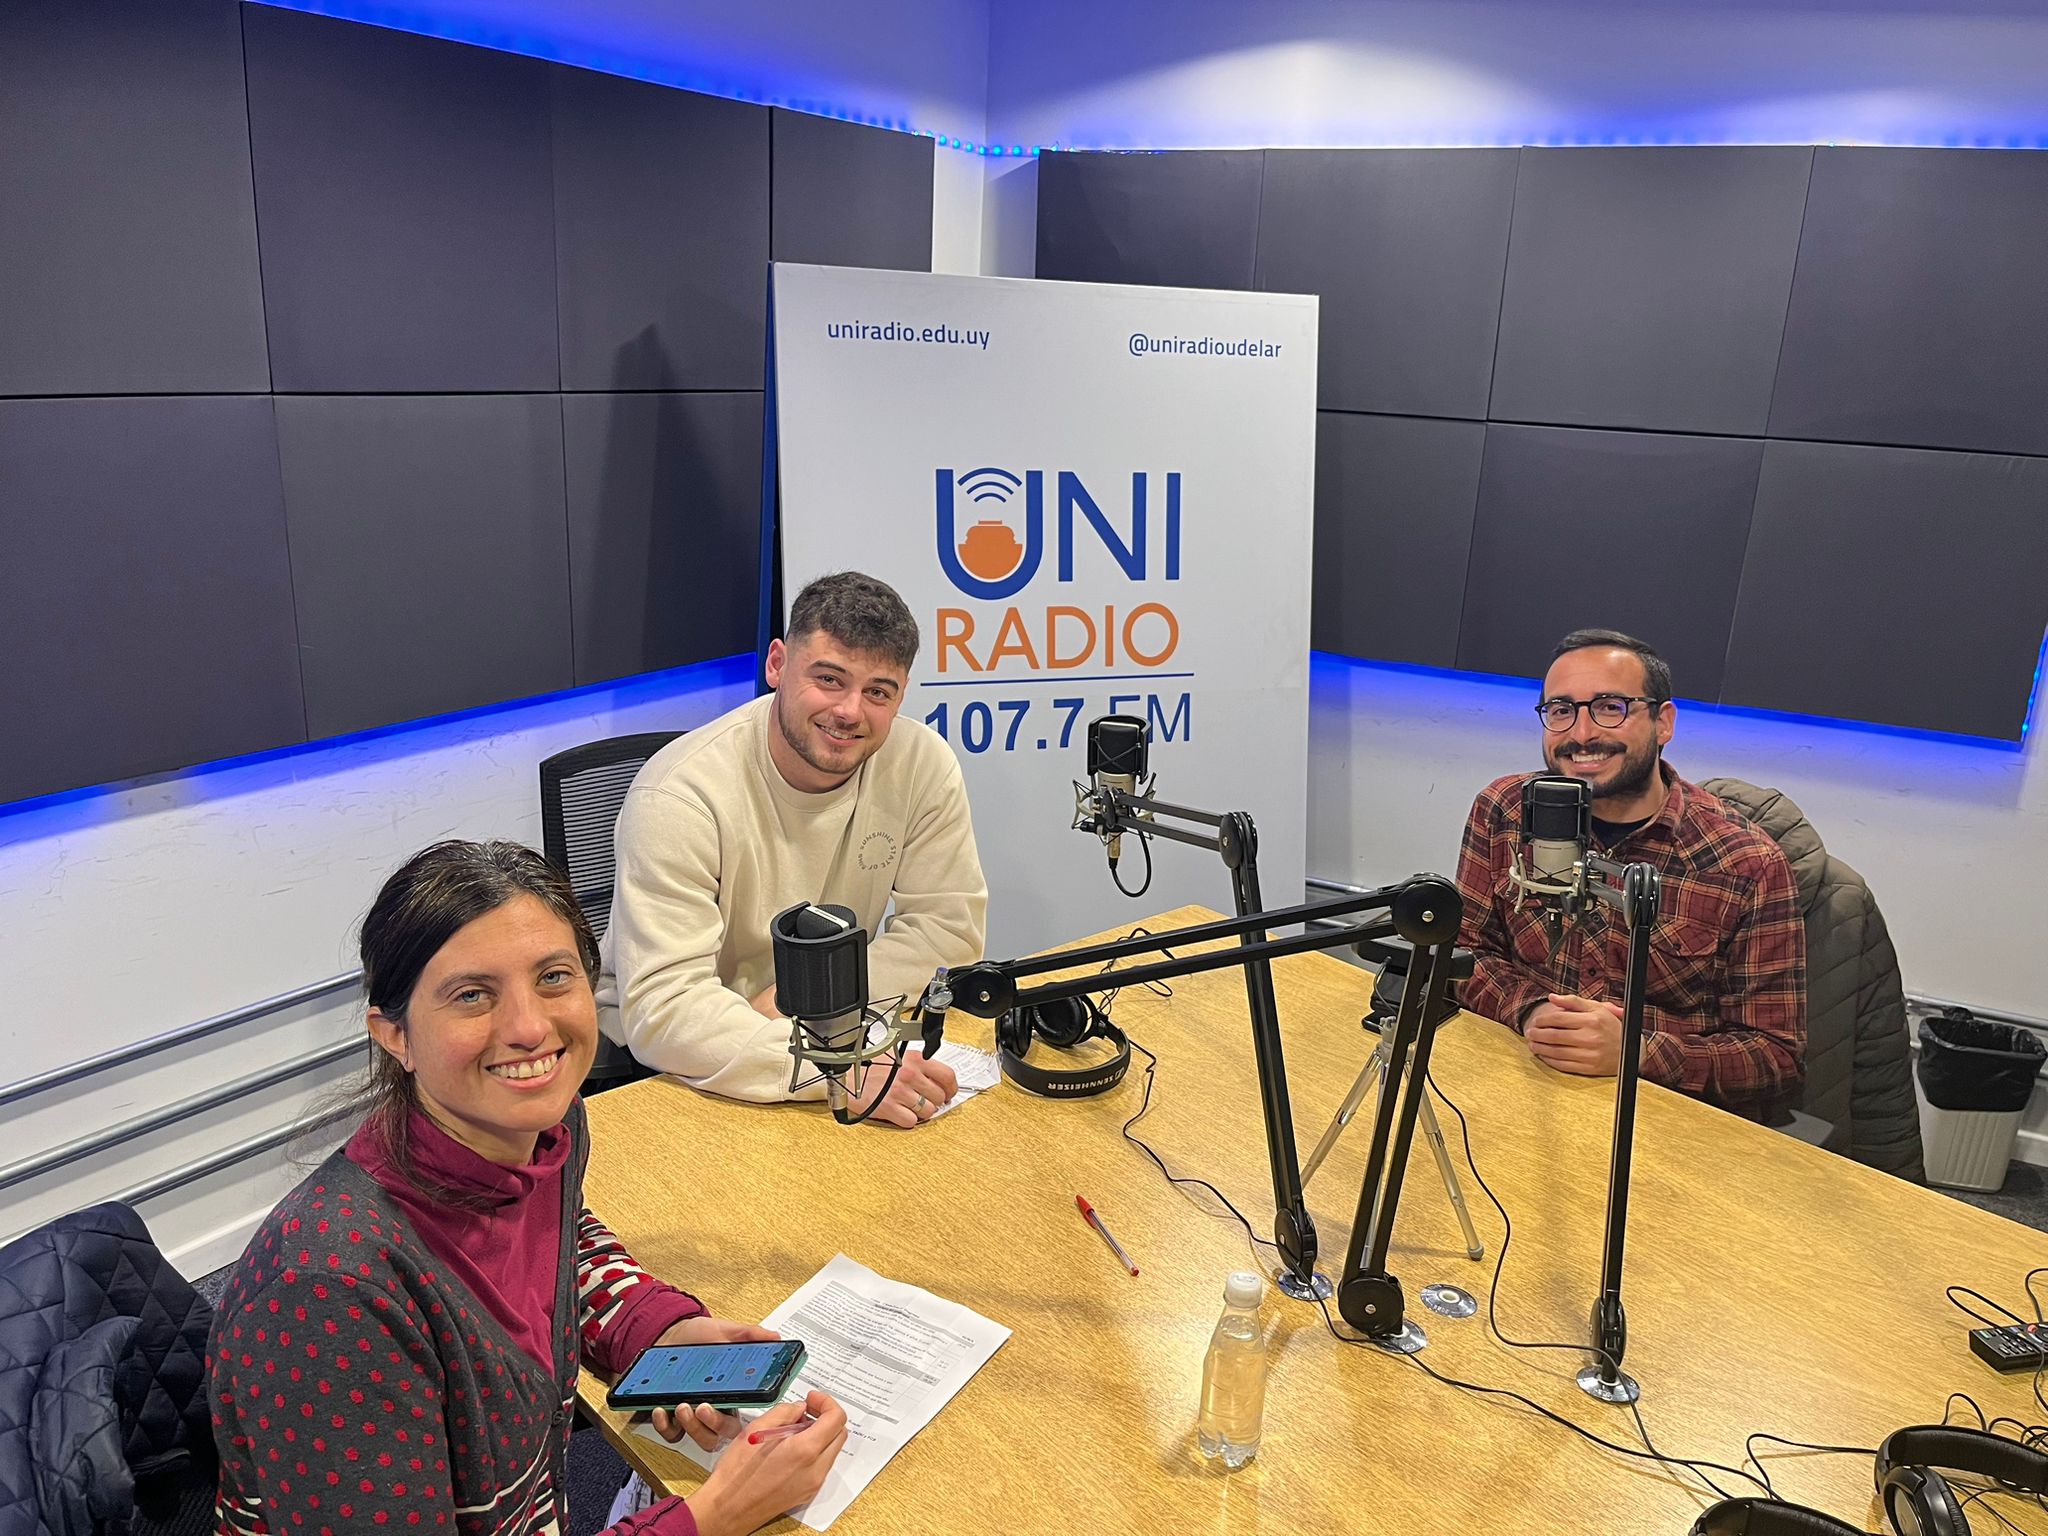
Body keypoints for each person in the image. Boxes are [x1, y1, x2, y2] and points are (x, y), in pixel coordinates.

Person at [208, 841, 848, 1536]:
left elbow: (559, 1239)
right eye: (472, 995)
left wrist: (656, 1329)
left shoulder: (544, 1125)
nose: (530, 1028)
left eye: (553, 977)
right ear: (395, 1036)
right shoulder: (328, 1292)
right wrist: (714, 1516)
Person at [597, 571, 987, 1126]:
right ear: (777, 664)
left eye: (878, 692)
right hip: (678, 1067)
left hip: (831, 1036)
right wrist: (834, 1066)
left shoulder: (922, 764)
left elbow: (948, 934)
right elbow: (665, 1010)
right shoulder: (679, 796)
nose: (850, 711)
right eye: (829, 679)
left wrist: (803, 1004)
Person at [1452, 629, 1806, 1121]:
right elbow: (1464, 952)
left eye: (1609, 707)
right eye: (1561, 710)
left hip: (1660, 1119)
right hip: (1517, 1083)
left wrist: (1636, 1052)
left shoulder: (1747, 863)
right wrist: (1531, 1011)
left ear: (1664, 722)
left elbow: (1776, 1056)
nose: (1581, 734)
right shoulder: (1505, 811)